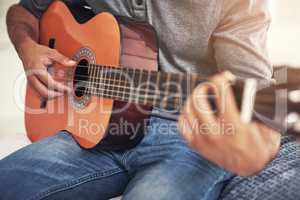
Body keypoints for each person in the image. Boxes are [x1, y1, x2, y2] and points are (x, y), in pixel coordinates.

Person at [0, 0, 297, 199]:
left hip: (186, 139)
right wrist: (29, 49)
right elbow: (25, 12)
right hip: (91, 129)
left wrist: (252, 145)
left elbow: (260, 108)